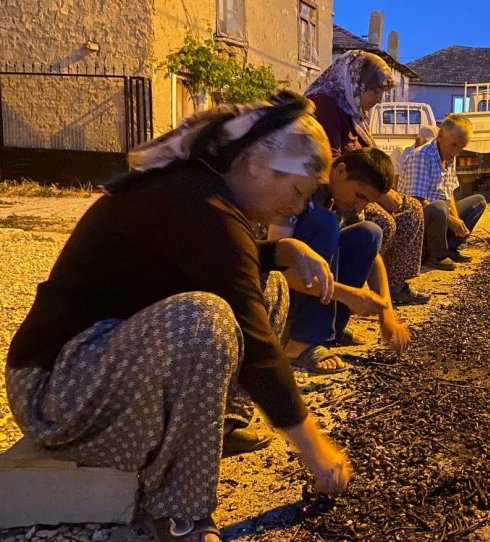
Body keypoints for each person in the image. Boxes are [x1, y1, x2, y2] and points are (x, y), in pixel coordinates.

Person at [4, 94, 351, 542]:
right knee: (204, 321)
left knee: (271, 284)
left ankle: (217, 429)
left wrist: (280, 250)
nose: (298, 208)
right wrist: (315, 450)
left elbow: (222, 267)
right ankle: (177, 512)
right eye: (298, 191)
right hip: (57, 394)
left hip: (92, 366)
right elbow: (255, 343)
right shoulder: (195, 203)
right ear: (257, 165)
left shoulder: (200, 191)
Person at [269, 148, 411, 375]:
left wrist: (387, 314)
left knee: (369, 232)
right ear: (341, 171)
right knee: (325, 223)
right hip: (275, 289)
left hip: (313, 283)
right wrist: (346, 294)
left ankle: (331, 329)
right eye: (360, 196)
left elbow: (375, 260)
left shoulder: (343, 200)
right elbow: (274, 269)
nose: (359, 207)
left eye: (367, 202)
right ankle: (301, 342)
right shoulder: (301, 188)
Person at [305, 49, 429, 306]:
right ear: (355, 84)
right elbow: (332, 163)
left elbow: (369, 156)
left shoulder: (355, 112)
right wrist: (378, 195)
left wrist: (383, 190)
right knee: (380, 223)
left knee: (412, 209)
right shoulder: (326, 104)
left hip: (361, 187)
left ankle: (392, 287)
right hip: (333, 193)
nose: (379, 100)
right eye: (375, 92)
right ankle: (348, 296)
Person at [398, 114, 486, 271]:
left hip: (441, 216)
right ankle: (434, 256)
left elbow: (449, 192)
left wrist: (457, 221)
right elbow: (416, 200)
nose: (457, 152)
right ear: (440, 136)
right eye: (454, 145)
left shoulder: (449, 156)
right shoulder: (421, 156)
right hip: (417, 219)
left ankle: (450, 248)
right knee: (439, 207)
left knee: (478, 202)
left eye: (461, 147)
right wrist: (451, 221)